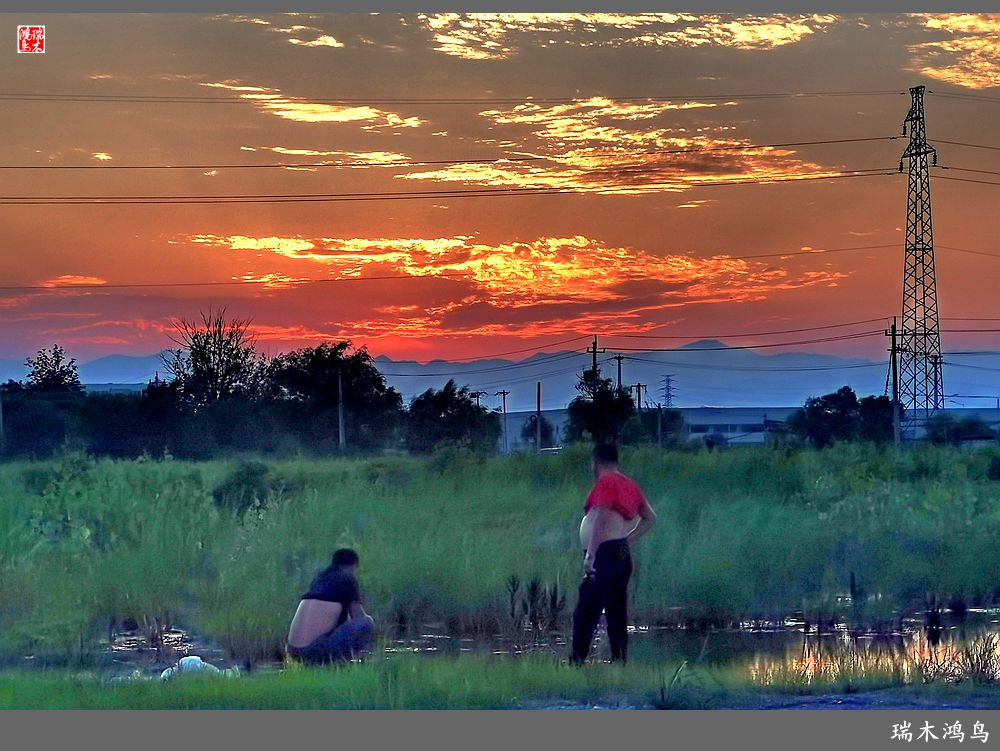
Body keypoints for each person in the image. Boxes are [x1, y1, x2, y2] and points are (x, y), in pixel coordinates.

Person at [570, 443, 656, 665]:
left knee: (586, 611)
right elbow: (650, 518)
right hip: (620, 553)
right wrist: (627, 540)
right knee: (616, 611)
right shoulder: (629, 484)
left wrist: (590, 554)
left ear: (595, 462)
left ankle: (576, 662)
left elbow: (600, 515)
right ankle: (619, 661)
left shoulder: (607, 481)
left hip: (604, 554)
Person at [286, 548, 375, 665]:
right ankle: (350, 664)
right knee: (366, 623)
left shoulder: (319, 579)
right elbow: (358, 615)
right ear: (354, 565)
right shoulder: (348, 578)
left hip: (292, 649)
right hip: (312, 650)